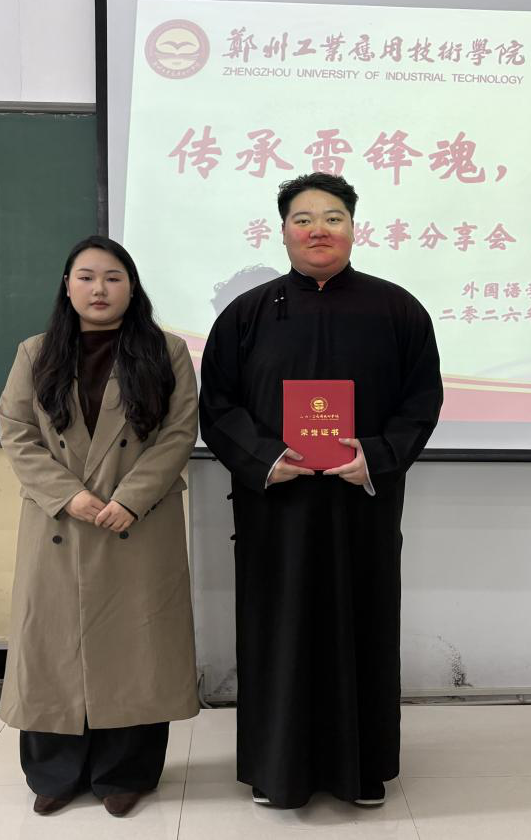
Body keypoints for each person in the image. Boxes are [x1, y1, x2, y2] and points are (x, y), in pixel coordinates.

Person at [199, 173, 443, 809]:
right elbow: (217, 404)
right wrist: (264, 457)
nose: (318, 231)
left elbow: (422, 400)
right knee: (277, 632)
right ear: (282, 232)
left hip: (363, 504)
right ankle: (275, 770)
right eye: (303, 219)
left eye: (333, 218)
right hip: (275, 508)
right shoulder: (247, 314)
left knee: (365, 628)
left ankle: (363, 769)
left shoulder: (398, 310)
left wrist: (377, 457)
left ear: (354, 228)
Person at [0, 236, 199, 818]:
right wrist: (69, 495)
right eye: (86, 277)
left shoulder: (166, 351)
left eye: (113, 277)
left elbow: (179, 432)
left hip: (137, 522)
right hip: (59, 521)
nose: (99, 289)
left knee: (137, 648)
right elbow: (17, 432)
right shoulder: (36, 352)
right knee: (51, 647)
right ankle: (55, 773)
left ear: (132, 287)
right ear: (67, 286)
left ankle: (125, 773)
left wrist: (131, 498)